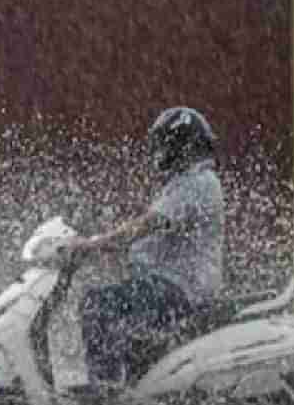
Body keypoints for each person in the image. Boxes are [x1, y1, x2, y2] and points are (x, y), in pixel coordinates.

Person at [68, 106, 225, 388]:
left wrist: (90, 245)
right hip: (171, 286)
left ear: (180, 145)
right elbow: (147, 242)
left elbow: (143, 227)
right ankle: (128, 390)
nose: (159, 152)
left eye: (165, 143)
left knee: (98, 304)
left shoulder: (197, 183)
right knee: (119, 311)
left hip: (179, 290)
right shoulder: (183, 184)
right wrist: (97, 252)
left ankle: (104, 390)